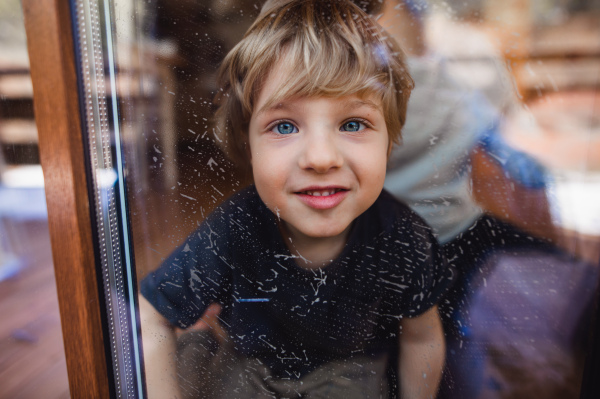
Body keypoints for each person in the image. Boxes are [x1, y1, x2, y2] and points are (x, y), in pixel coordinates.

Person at [139, 1, 454, 398]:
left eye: (353, 123)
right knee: (200, 363)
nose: (321, 158)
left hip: (348, 378)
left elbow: (421, 338)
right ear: (247, 144)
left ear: (389, 140)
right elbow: (153, 312)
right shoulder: (235, 228)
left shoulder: (402, 238)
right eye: (284, 126)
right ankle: (200, 335)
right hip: (247, 374)